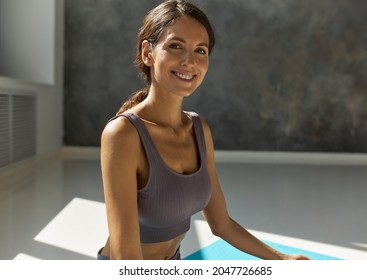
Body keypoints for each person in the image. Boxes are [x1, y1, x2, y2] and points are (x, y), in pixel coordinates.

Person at [98, 0, 310, 260]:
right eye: (175, 46)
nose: (189, 61)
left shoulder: (198, 129)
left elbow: (221, 224)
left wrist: (284, 260)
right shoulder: (123, 134)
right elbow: (124, 256)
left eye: (201, 50)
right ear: (147, 53)